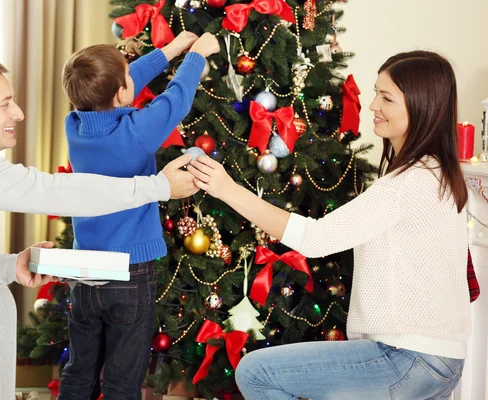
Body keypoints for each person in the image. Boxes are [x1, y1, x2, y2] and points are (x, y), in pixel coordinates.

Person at [0, 53, 198, 400]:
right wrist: (157, 187)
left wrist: (13, 263)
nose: (18, 113)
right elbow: (52, 191)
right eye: (5, 104)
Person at [188, 50, 469, 399]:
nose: (372, 106)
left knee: (256, 372)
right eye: (375, 93)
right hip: (439, 359)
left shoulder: (408, 183)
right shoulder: (436, 173)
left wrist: (227, 189)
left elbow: (315, 239)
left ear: (421, 105)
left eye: (387, 97)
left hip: (407, 357)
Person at [57, 32, 220, 400]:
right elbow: (174, 101)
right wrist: (194, 55)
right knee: (122, 379)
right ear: (121, 94)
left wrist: (171, 49)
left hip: (85, 272)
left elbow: (122, 84)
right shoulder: (136, 133)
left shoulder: (75, 126)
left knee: (79, 371)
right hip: (129, 274)